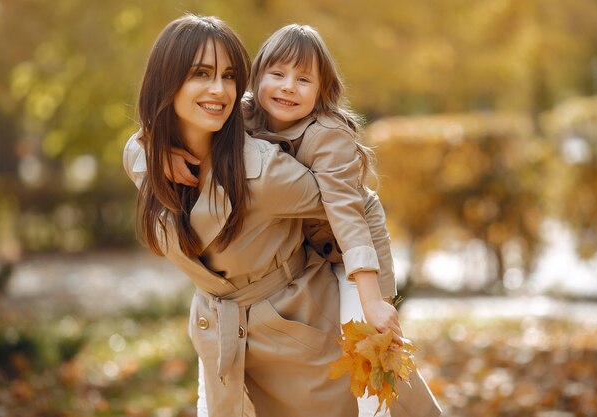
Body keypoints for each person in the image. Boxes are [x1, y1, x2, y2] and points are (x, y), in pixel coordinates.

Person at [167, 24, 441, 417]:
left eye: (303, 79)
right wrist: (155, 148)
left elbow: (347, 214)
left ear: (322, 90)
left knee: (369, 353)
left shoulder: (327, 135)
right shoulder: (240, 114)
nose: (288, 87)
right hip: (308, 244)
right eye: (277, 74)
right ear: (256, 78)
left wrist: (372, 299)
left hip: (354, 253)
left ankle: (376, 412)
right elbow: (174, 122)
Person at [122, 14, 359, 417]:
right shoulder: (146, 158)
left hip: (295, 332)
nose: (219, 89)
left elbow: (359, 205)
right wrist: (151, 148)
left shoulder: (265, 171)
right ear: (167, 81)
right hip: (219, 338)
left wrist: (371, 296)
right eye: (201, 73)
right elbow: (137, 146)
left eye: (229, 75)